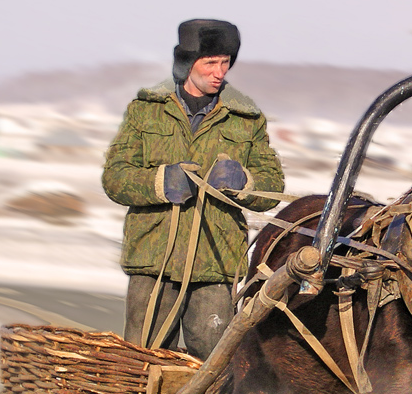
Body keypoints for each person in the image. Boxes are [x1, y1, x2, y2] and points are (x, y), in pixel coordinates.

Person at [102, 19, 284, 359]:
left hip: (215, 265)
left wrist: (243, 183)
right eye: (210, 62)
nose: (220, 71)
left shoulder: (246, 118)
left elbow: (273, 187)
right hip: (153, 262)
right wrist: (161, 182)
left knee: (215, 367)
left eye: (226, 62)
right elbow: (115, 177)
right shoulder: (146, 110)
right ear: (187, 63)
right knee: (143, 361)